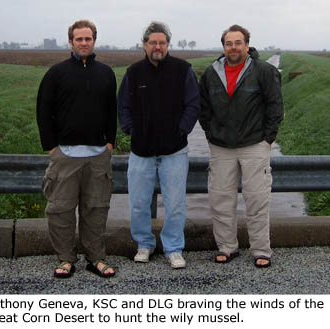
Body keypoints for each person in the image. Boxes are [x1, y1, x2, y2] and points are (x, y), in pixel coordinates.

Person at [36, 20, 117, 278]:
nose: (84, 43)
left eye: (88, 39)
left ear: (94, 41)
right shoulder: (56, 73)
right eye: (79, 39)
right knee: (60, 210)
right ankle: (65, 259)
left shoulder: (106, 73)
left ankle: (96, 258)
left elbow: (111, 112)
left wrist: (110, 143)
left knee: (96, 210)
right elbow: (43, 111)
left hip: (97, 157)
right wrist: (51, 148)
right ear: (70, 42)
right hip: (65, 156)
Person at [199, 24, 284, 268]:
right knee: (220, 199)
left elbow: (275, 106)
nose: (233, 47)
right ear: (223, 46)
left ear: (247, 45)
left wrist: (268, 139)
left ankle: (260, 250)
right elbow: (204, 109)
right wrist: (211, 133)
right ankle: (227, 247)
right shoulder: (211, 73)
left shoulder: (264, 71)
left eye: (238, 43)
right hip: (221, 147)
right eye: (229, 43)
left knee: (257, 200)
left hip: (254, 144)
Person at [118, 21, 200, 269]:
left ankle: (174, 248)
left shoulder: (182, 70)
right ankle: (144, 244)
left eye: (162, 42)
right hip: (141, 152)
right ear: (144, 45)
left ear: (167, 45)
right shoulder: (133, 73)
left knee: (175, 204)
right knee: (138, 203)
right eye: (152, 42)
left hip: (174, 151)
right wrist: (133, 131)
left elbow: (193, 104)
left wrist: (181, 130)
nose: (157, 46)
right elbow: (123, 107)